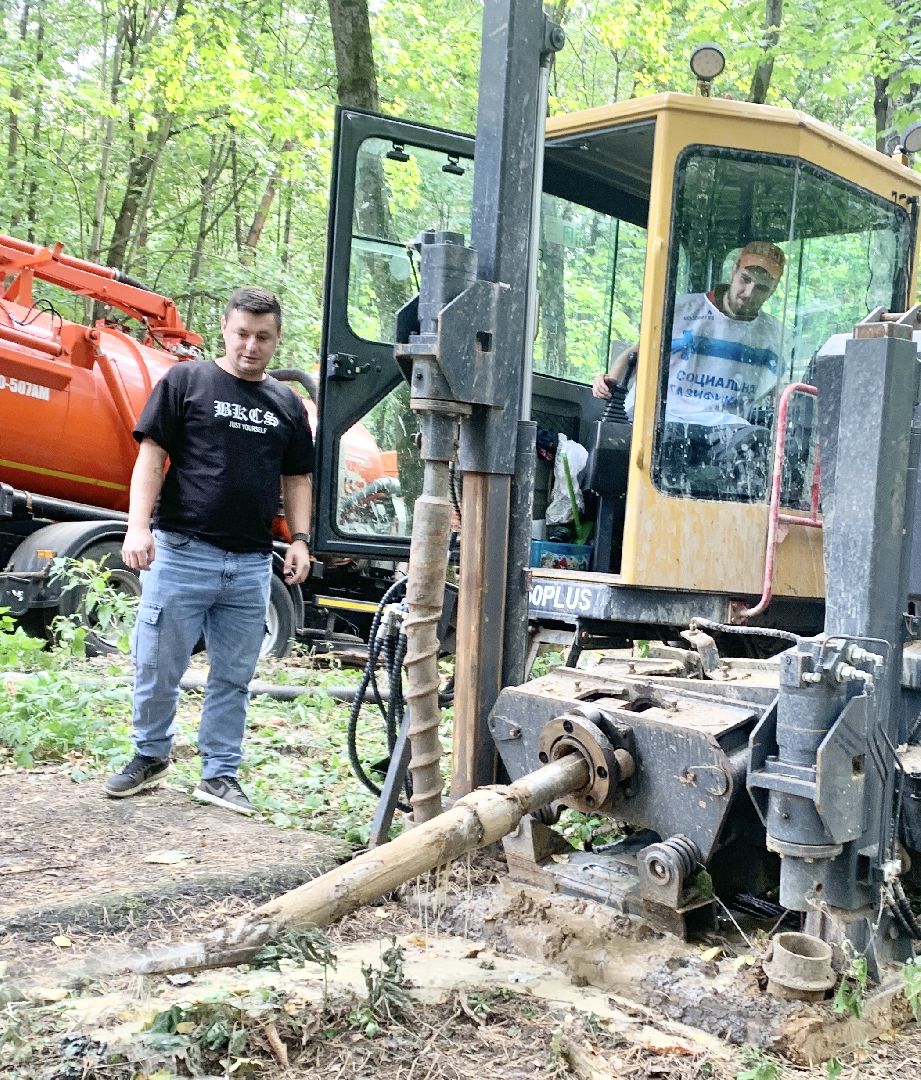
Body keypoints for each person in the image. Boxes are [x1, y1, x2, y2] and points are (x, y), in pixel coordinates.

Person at [104, 287, 314, 815]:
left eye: (263, 337)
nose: (251, 346)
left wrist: (300, 538)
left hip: (249, 565)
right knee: (157, 665)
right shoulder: (186, 380)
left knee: (234, 678)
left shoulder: (287, 403)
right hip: (181, 551)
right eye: (242, 334)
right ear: (225, 329)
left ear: (276, 339)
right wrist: (137, 528)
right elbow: (151, 460)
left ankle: (219, 774)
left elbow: (298, 478)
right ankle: (149, 755)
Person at [592, 241, 785, 429]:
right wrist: (609, 383)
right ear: (734, 271)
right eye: (746, 279)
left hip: (726, 433)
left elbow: (777, 393)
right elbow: (637, 355)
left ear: (773, 291)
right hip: (662, 420)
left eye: (761, 288)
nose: (749, 292)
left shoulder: (773, 334)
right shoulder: (679, 309)